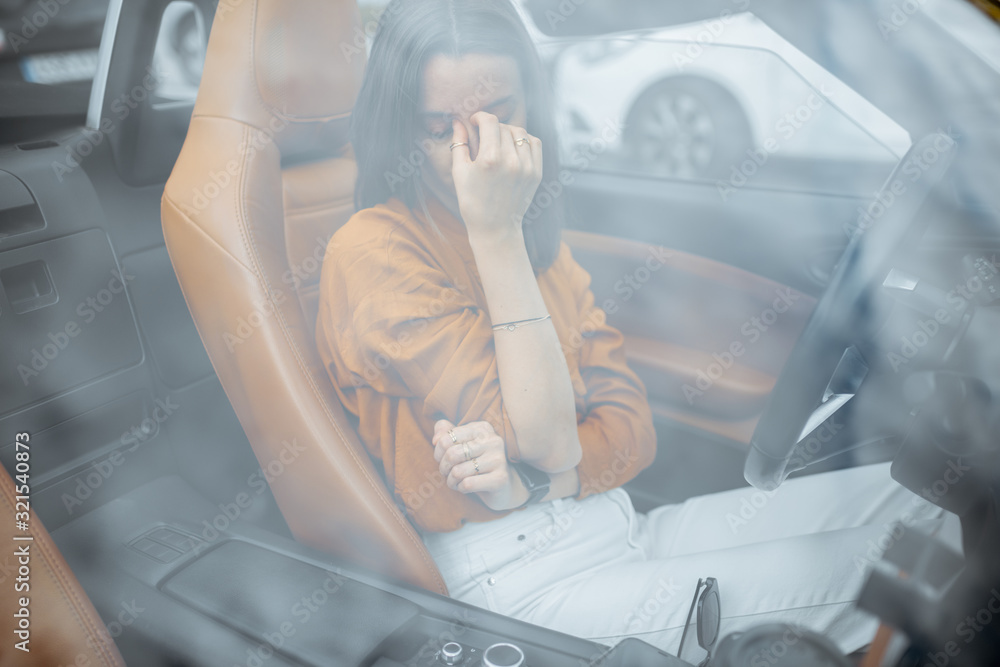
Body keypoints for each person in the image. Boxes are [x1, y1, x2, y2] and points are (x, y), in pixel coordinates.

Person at [315, 0, 956, 656]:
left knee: (930, 502)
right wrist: (497, 230)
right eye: (434, 127)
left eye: (495, 115)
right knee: (917, 573)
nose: (468, 154)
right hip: (519, 579)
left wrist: (548, 476)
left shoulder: (539, 240)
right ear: (401, 129)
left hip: (611, 522)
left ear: (531, 103)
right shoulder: (374, 250)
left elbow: (628, 426)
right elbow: (543, 431)